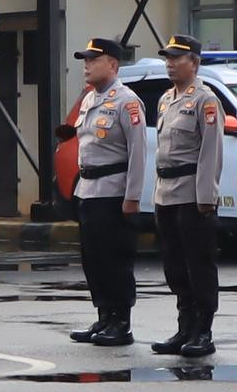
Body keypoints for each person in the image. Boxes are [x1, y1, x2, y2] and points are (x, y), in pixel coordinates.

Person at [61, 37, 146, 346]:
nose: (86, 65)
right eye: (85, 59)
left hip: (113, 191)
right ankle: (104, 317)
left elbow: (138, 152)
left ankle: (121, 322)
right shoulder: (89, 99)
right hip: (88, 190)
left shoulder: (127, 101)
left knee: (115, 259)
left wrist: (132, 196)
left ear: (112, 64)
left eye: (93, 59)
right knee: (93, 258)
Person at [143, 38, 223, 358]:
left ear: (195, 62)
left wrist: (207, 195)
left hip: (192, 193)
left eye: (177, 58)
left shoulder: (205, 100)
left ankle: (203, 330)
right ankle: (184, 326)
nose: (170, 63)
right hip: (167, 193)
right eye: (167, 58)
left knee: (198, 264)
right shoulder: (166, 99)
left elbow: (211, 152)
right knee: (174, 265)